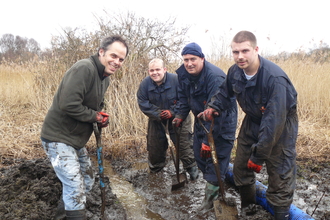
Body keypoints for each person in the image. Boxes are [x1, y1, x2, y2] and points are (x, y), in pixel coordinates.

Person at [198, 31, 298, 220]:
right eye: (235, 52)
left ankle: (281, 215)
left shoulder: (274, 79)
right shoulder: (235, 72)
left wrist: (259, 156)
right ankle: (248, 208)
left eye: (245, 51)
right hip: (253, 121)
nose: (240, 56)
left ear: (256, 49)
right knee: (241, 168)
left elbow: (273, 123)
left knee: (280, 174)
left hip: (281, 126)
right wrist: (213, 107)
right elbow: (224, 93)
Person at [40, 35, 129, 220]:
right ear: (101, 52)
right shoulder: (84, 68)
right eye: (113, 56)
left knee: (87, 178)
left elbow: (94, 107)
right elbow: (68, 103)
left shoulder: (105, 78)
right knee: (74, 185)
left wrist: (100, 117)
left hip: (75, 140)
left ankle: (63, 215)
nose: (117, 62)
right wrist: (94, 116)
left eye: (121, 59)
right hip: (58, 138)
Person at [172, 43, 237, 210]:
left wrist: (210, 141)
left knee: (216, 160)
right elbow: (184, 98)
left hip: (221, 123)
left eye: (193, 59)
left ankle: (210, 202)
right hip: (201, 121)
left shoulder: (215, 78)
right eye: (186, 60)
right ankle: (215, 184)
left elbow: (218, 111)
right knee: (200, 157)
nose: (189, 63)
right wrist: (179, 115)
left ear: (202, 58)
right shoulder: (184, 75)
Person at [137, 58, 198, 180]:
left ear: (164, 69)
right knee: (155, 148)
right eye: (152, 70)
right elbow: (142, 102)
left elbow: (185, 99)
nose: (155, 73)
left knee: (185, 147)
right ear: (148, 71)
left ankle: (193, 174)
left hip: (179, 119)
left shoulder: (176, 80)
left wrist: (173, 112)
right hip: (157, 120)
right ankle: (156, 177)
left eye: (158, 69)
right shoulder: (145, 84)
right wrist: (158, 114)